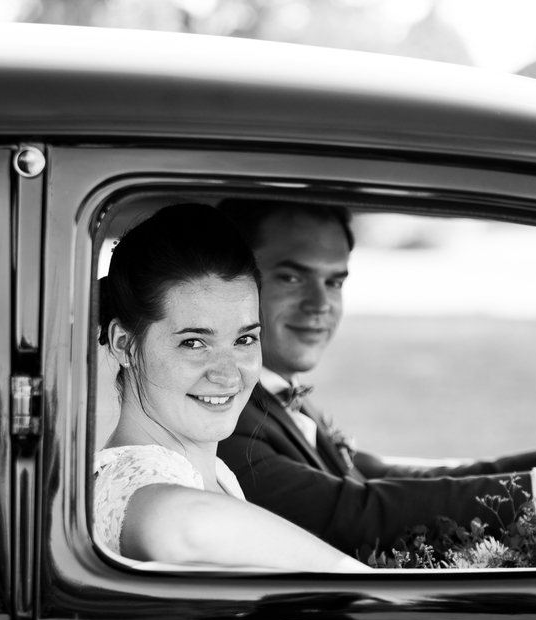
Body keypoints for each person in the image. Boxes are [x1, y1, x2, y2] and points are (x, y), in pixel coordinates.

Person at [215, 199, 536, 553]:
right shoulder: (221, 420)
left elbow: (388, 478)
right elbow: (358, 516)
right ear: (230, 281)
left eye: (335, 282)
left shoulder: (276, 395)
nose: (321, 305)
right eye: (292, 278)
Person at [93, 203, 369, 572]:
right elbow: (185, 527)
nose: (227, 375)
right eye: (194, 342)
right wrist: (361, 582)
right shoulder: (132, 482)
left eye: (244, 340)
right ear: (124, 344)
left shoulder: (217, 474)